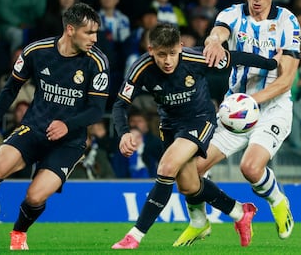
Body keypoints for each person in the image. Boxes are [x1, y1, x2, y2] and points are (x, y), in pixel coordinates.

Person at [0, 3, 110, 250]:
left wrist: (67, 125)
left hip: (69, 141)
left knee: (34, 196)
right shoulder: (37, 51)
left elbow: (97, 110)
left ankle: (19, 232)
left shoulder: (97, 62)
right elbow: (10, 88)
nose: (94, 39)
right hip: (34, 128)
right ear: (70, 29)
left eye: (96, 33)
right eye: (89, 33)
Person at [111, 23, 281, 249]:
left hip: (200, 119)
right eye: (161, 55)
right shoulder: (140, 68)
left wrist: (272, 63)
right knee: (189, 186)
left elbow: (236, 57)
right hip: (170, 125)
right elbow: (120, 104)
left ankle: (135, 235)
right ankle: (240, 211)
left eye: (172, 53)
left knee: (166, 168)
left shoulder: (198, 58)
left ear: (181, 47)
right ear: (151, 50)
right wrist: (123, 133)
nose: (168, 61)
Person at [173, 0, 300, 246]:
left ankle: (278, 201)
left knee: (251, 168)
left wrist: (249, 101)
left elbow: (286, 80)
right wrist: (214, 42)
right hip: (236, 110)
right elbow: (218, 33)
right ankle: (199, 222)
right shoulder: (231, 14)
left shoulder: (287, 22)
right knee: (189, 170)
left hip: (271, 107)